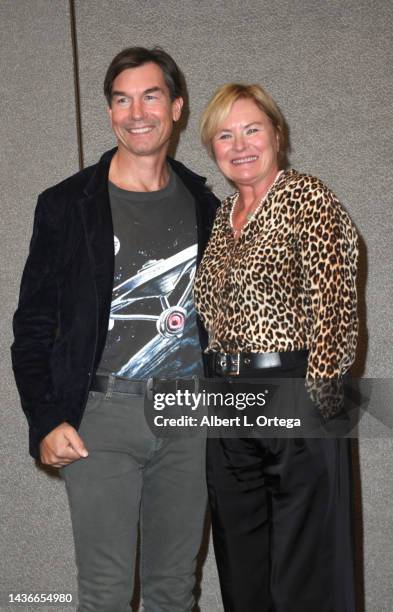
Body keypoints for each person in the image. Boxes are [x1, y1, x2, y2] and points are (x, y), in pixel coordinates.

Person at [11, 47, 219, 612]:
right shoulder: (65, 204)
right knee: (103, 596)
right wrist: (47, 418)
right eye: (121, 100)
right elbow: (32, 325)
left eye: (151, 96)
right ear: (109, 112)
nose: (136, 112)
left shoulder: (207, 206)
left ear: (176, 107)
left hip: (189, 420)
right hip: (101, 420)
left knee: (175, 593)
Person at [193, 83, 358, 612]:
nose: (239, 144)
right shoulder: (221, 218)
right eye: (225, 134)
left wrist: (321, 406)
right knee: (243, 570)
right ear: (212, 147)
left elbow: (334, 306)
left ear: (277, 135)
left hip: (294, 392)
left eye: (251, 129)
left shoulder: (308, 196)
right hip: (227, 404)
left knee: (305, 571)